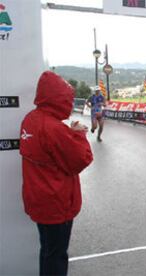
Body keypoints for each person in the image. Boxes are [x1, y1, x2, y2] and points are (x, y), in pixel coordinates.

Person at [19, 71, 93, 275]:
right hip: (56, 203)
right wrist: (78, 135)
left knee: (48, 251)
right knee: (57, 256)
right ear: (58, 99)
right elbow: (81, 159)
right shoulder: (54, 128)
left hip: (38, 199)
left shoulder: (30, 119)